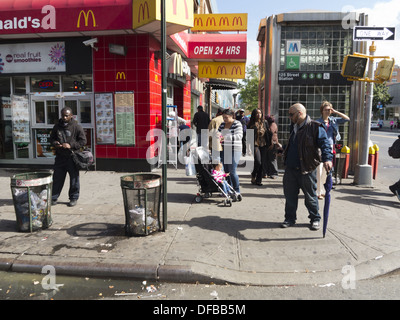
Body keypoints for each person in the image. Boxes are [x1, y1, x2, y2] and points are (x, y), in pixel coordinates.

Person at [282, 103, 333, 230]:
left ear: (299, 113)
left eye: (291, 114)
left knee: (310, 197)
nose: (289, 117)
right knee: (290, 197)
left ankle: (315, 218)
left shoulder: (315, 127)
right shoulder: (293, 126)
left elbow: (325, 144)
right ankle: (289, 218)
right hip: (291, 168)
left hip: (307, 168)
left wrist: (327, 159)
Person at [50, 107, 87, 207]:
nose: (64, 117)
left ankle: (73, 198)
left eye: (67, 115)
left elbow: (83, 141)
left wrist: (70, 145)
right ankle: (53, 197)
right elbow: (52, 138)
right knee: (57, 178)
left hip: (72, 157)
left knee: (74, 179)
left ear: (71, 116)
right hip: (60, 157)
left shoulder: (76, 127)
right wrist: (55, 143)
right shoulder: (57, 127)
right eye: (63, 115)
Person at [315, 101, 350, 199]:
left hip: (330, 147)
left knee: (327, 171)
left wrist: (335, 112)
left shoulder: (333, 120)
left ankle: (322, 190)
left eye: (329, 110)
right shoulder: (318, 122)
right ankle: (318, 192)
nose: (327, 112)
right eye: (325, 110)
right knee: (319, 170)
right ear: (321, 111)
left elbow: (347, 119)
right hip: (320, 147)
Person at [218, 109, 243, 197]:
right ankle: (228, 189)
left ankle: (237, 190)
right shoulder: (222, 124)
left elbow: (239, 136)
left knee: (232, 171)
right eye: (223, 117)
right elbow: (218, 133)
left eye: (226, 117)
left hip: (235, 149)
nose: (224, 119)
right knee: (226, 171)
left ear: (232, 116)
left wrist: (226, 137)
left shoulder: (237, 124)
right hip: (225, 149)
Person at [247, 108, 269, 186]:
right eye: (257, 113)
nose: (259, 115)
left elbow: (268, 133)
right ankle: (253, 175)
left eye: (260, 113)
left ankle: (258, 180)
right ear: (254, 114)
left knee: (262, 163)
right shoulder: (251, 123)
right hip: (255, 144)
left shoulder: (265, 122)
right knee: (258, 162)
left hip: (264, 144)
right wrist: (248, 148)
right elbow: (248, 137)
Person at [265, 114, 282, 179]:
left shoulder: (272, 125)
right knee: (269, 159)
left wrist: (273, 143)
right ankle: (270, 172)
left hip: (272, 144)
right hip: (270, 144)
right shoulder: (272, 124)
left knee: (272, 159)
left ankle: (274, 173)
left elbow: (272, 134)